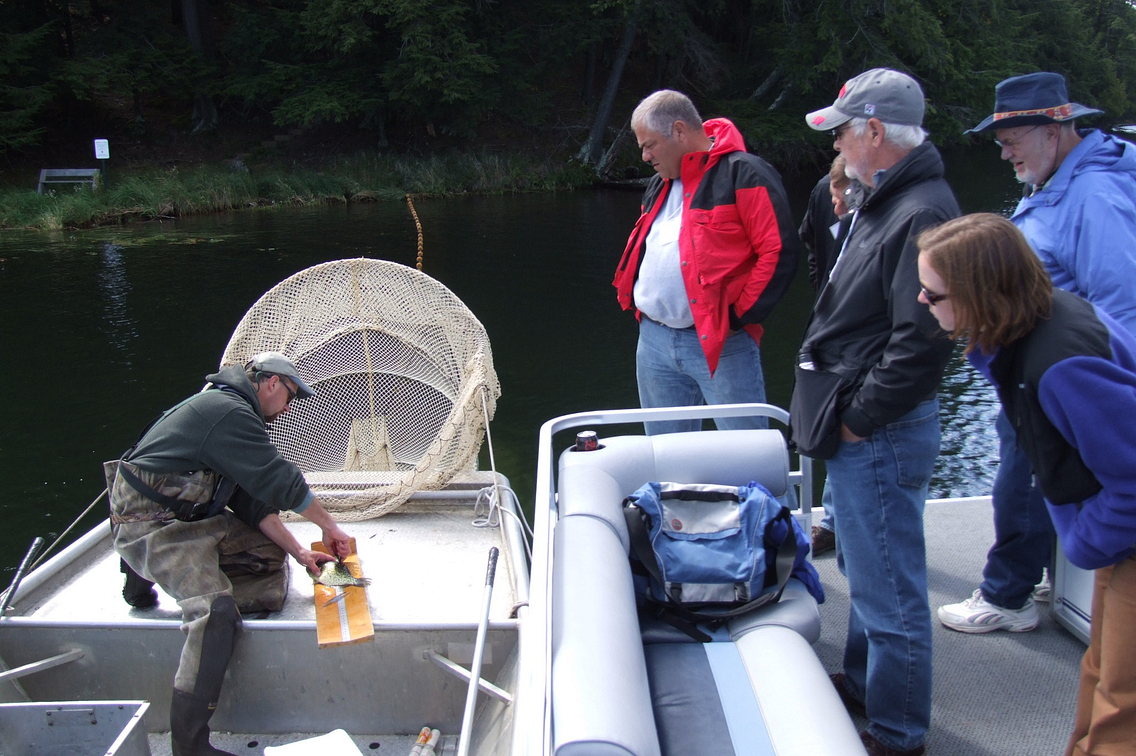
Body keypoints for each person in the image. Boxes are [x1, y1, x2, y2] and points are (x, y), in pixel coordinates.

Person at [917, 212, 1136, 756]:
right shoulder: (1030, 328)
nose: (922, 302)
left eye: (932, 293)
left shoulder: (1062, 365)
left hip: (1123, 537)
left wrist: (1087, 543)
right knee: (1101, 669)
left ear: (980, 294)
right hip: (1118, 541)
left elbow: (1134, 480)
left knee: (1125, 701)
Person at [791, 68, 959, 756]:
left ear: (875, 132)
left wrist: (858, 418)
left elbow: (922, 341)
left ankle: (896, 735)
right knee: (868, 572)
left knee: (890, 593)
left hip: (879, 431)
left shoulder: (919, 211)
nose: (836, 147)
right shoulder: (885, 200)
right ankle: (862, 687)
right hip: (862, 424)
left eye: (842, 132)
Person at [937, 71, 1136, 634]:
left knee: (1023, 479)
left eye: (1012, 141)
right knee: (1034, 478)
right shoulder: (1060, 181)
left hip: (1061, 382)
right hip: (1042, 373)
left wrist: (1092, 398)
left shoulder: (1094, 195)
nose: (1004, 155)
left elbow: (1122, 306)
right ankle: (1038, 574)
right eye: (1000, 144)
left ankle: (1007, 597)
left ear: (1055, 129)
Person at [105, 352, 351, 756]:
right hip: (153, 525)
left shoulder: (233, 413)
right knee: (216, 615)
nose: (289, 407)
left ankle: (151, 573)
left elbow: (251, 501)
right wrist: (329, 526)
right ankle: (189, 747)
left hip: (195, 516)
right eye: (290, 396)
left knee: (271, 560)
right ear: (271, 383)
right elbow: (279, 479)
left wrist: (300, 553)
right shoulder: (227, 411)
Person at [613, 89, 799, 435]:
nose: (644, 155)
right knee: (667, 460)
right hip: (653, 341)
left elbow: (779, 251)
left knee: (749, 456)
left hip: (722, 342)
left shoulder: (745, 173)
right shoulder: (659, 184)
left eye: (649, 144)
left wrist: (736, 317)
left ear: (680, 131)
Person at [797, 155, 863, 556]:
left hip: (866, 346)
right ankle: (834, 523)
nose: (837, 206)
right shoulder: (825, 190)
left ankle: (844, 524)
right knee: (830, 428)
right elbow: (812, 243)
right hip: (831, 335)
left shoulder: (902, 205)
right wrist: (825, 295)